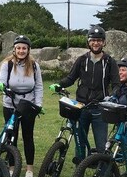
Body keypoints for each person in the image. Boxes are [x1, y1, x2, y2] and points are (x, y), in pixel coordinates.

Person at [49, 24, 119, 158]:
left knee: (101, 144)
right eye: (93, 40)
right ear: (88, 42)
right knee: (80, 142)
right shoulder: (81, 60)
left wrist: (112, 96)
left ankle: (102, 175)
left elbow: (116, 84)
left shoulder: (110, 62)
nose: (96, 43)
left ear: (104, 42)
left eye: (99, 40)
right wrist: (58, 84)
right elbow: (71, 78)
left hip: (100, 107)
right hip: (81, 107)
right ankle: (78, 173)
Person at [0, 35, 43, 177]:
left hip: (28, 105)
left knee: (28, 136)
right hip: (10, 105)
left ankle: (29, 169)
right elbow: (0, 81)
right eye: (19, 48)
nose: (21, 51)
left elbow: (39, 86)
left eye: (24, 48)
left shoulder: (34, 65)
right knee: (11, 137)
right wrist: (0, 86)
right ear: (14, 49)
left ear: (28, 50)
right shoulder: (7, 65)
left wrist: (38, 104)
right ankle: (11, 167)